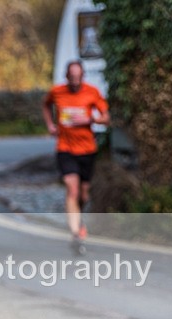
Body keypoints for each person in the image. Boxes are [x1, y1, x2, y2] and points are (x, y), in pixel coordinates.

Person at [42, 60, 110, 254]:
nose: (74, 81)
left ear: (82, 77)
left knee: (83, 194)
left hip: (87, 149)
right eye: (71, 78)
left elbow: (106, 118)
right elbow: (46, 105)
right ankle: (75, 233)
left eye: (78, 78)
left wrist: (91, 119)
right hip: (65, 148)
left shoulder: (92, 92)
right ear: (66, 77)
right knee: (72, 189)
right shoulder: (57, 92)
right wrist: (50, 124)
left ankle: (78, 219)